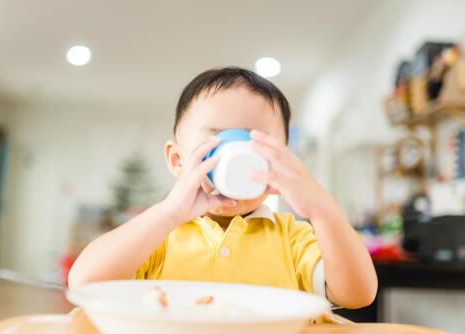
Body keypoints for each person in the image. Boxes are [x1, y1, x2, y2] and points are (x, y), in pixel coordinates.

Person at [68, 67, 377, 309]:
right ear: (177, 159)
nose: (237, 152)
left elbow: (359, 294)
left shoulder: (292, 238)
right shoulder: (159, 235)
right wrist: (166, 214)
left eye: (255, 141)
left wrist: (322, 210)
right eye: (216, 137)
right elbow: (83, 282)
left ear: (281, 161)